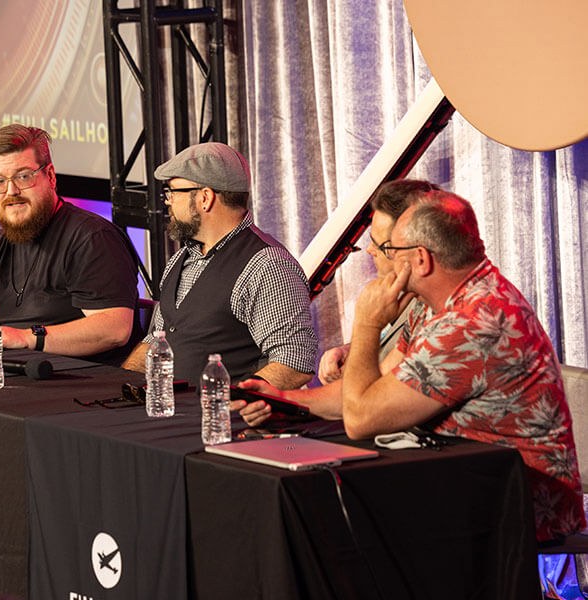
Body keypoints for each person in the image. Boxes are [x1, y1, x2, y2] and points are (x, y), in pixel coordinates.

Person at [239, 187, 585, 542]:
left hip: (515, 511)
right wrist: (284, 399)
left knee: (328, 523)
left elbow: (361, 419)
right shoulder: (435, 303)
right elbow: (376, 389)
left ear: (420, 259)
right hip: (462, 488)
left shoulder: (474, 322)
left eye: (389, 248)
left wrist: (367, 324)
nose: (376, 254)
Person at [0, 124, 139, 365]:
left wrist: (26, 338)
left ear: (51, 176)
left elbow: (114, 330)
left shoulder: (92, 237)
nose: (11, 191)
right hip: (6, 374)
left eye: (23, 176)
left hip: (74, 383)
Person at [122, 142, 317, 388]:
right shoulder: (180, 259)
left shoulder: (267, 265)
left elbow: (294, 361)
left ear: (205, 198)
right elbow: (157, 339)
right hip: (168, 415)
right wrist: (123, 383)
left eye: (172, 192)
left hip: (221, 421)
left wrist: (236, 404)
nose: (168, 202)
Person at [316, 180, 438, 383]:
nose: (370, 250)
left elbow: (370, 401)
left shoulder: (437, 315)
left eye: (379, 244)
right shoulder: (408, 297)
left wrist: (366, 324)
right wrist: (348, 350)